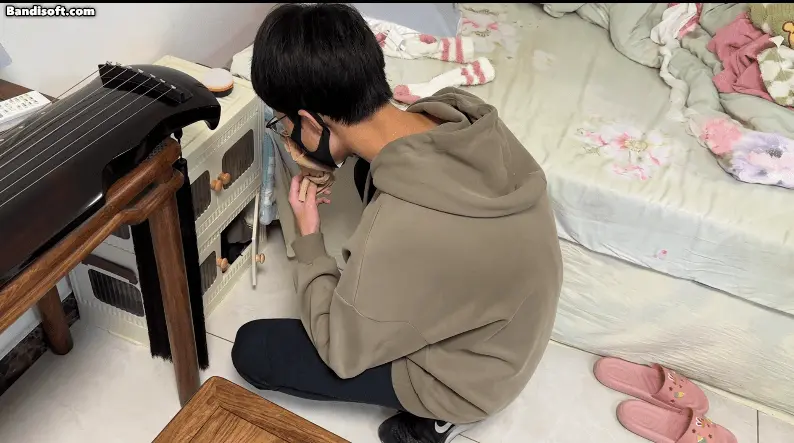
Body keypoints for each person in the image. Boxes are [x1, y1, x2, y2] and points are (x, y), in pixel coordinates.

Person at [231, 4, 563, 443]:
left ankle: (438, 416)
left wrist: (309, 238)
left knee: (254, 350)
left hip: (471, 380)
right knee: (366, 172)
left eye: (286, 123)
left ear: (311, 120)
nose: (287, 134)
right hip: (513, 334)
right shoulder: (461, 114)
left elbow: (341, 352)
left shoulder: (399, 229)